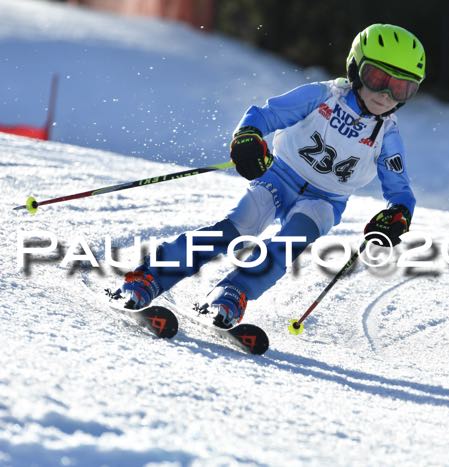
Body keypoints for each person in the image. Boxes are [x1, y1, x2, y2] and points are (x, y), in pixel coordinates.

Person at [118, 24, 425, 328]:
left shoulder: (388, 135)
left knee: (289, 243)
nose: (386, 95)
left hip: (324, 201)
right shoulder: (322, 96)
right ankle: (150, 276)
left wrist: (397, 215)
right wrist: (248, 137)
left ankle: (232, 292)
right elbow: (265, 115)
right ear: (356, 68)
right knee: (238, 227)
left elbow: (399, 192)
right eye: (377, 78)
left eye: (401, 88)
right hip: (278, 176)